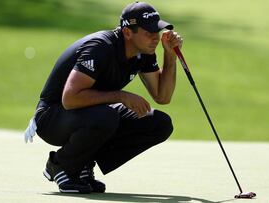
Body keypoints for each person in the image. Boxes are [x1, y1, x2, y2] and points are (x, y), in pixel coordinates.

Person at [24, 1, 183, 194]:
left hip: (89, 114)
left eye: (156, 32)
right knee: (107, 116)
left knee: (159, 123)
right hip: (53, 117)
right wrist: (121, 96)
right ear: (127, 33)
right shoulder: (101, 47)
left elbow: (162, 96)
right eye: (148, 32)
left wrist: (170, 55)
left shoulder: (144, 52)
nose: (155, 38)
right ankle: (61, 164)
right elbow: (70, 99)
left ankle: (82, 163)